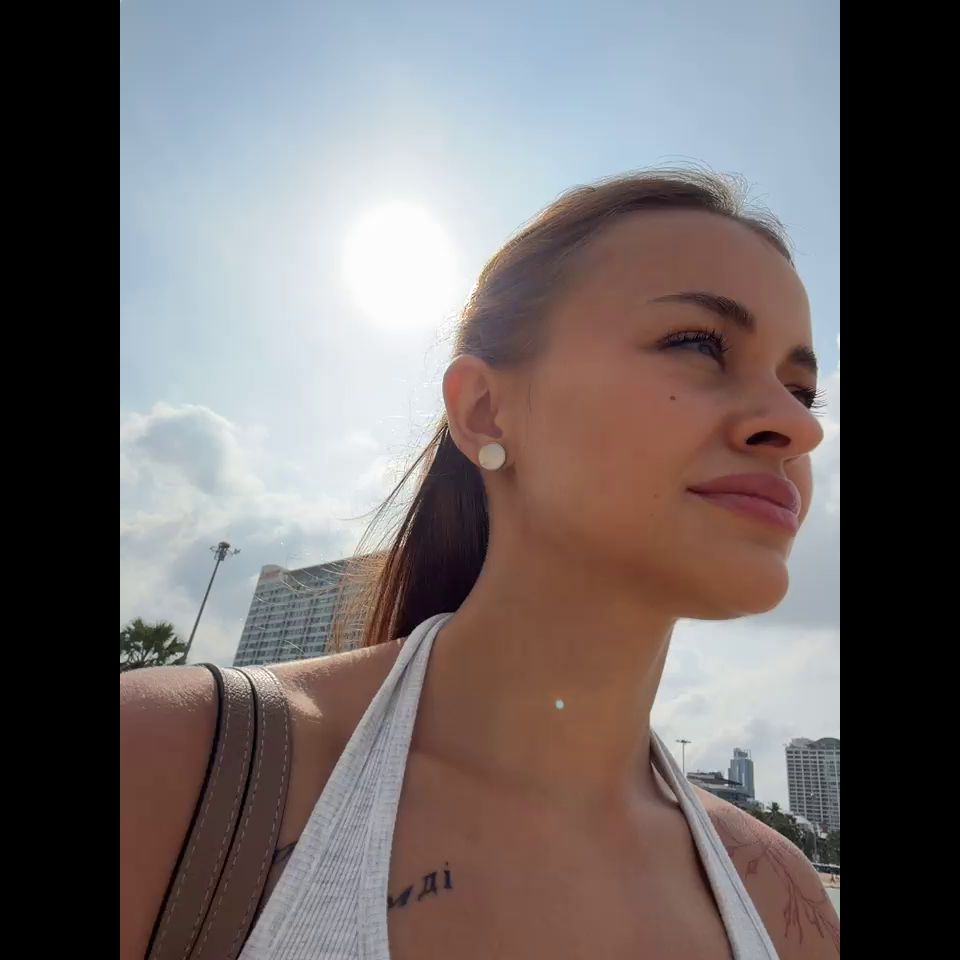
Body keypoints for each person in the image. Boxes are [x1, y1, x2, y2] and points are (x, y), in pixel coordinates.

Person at [121, 170, 840, 960]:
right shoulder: (168, 768)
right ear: (485, 411)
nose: (796, 428)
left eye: (800, 389)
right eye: (698, 343)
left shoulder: (785, 900)